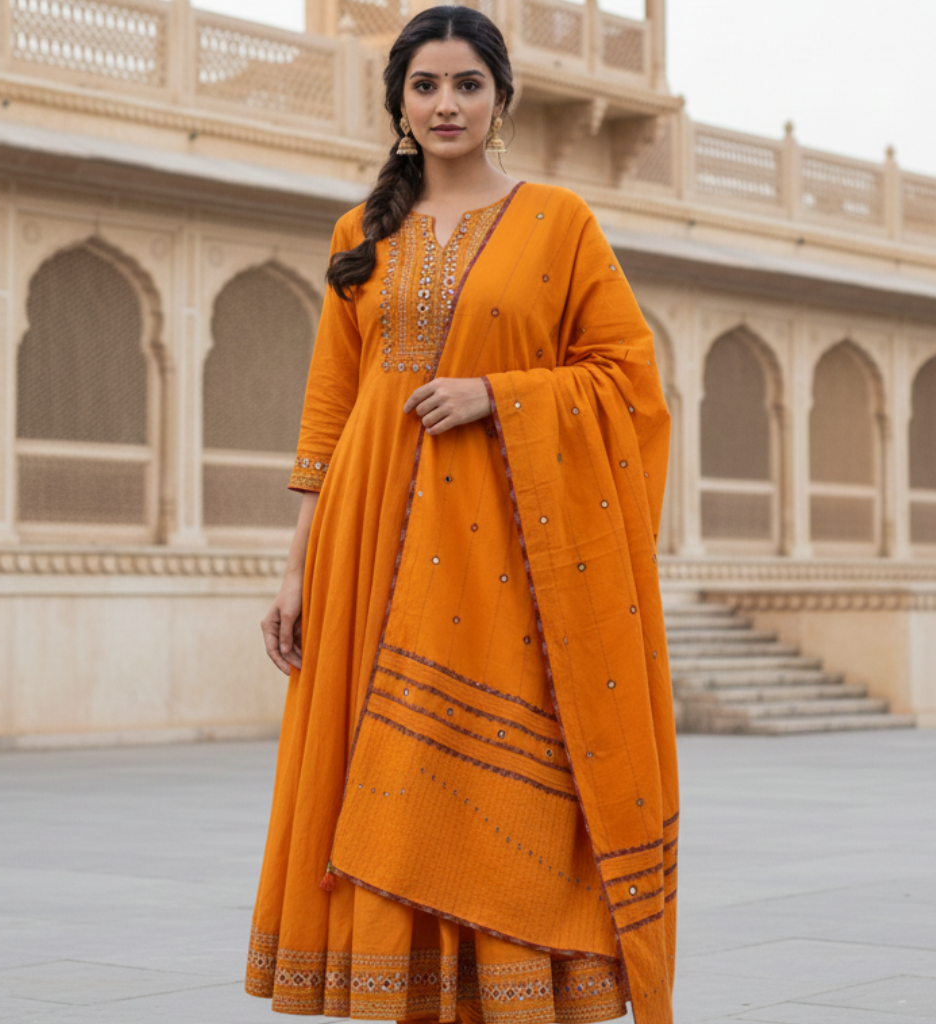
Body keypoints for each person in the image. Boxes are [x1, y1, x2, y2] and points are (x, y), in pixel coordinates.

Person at [245, 7, 678, 1024]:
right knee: (374, 758)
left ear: (501, 98)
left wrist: (501, 395)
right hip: (366, 535)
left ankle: (510, 985)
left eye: (467, 84)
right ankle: (396, 984)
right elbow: (329, 408)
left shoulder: (559, 220)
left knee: (487, 765)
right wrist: (296, 567)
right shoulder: (359, 233)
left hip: (503, 547)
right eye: (426, 85)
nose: (447, 104)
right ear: (399, 102)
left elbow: (628, 380)